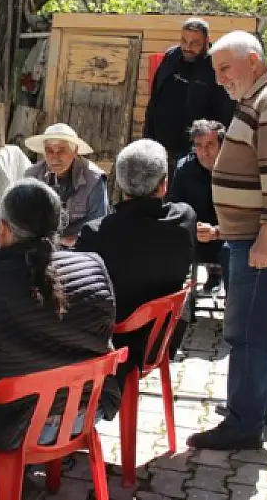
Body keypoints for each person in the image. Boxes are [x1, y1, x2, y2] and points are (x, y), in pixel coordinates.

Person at [0, 179, 116, 491]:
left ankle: (7, 478)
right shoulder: (94, 266)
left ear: (3, 229)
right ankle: (47, 460)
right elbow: (104, 341)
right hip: (85, 413)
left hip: (17, 427)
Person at [186, 31, 267, 451]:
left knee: (246, 332)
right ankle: (266, 407)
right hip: (256, 234)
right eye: (216, 70)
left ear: (253, 60)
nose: (220, 78)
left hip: (262, 237)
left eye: (225, 68)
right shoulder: (257, 100)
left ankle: (243, 423)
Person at [76, 139, 196, 388]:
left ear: (119, 183)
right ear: (164, 185)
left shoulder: (97, 234)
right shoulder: (185, 218)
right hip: (161, 340)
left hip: (112, 345)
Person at [143, 18, 236, 175]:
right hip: (161, 147)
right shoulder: (171, 56)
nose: (187, 47)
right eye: (184, 41)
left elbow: (226, 114)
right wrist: (147, 138)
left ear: (207, 41)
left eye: (195, 43)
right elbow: (154, 100)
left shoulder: (216, 66)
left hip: (196, 153)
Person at [167, 119, 228, 294]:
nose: (204, 152)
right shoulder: (185, 169)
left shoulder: (235, 168)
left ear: (221, 146)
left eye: (210, 145)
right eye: (198, 146)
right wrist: (192, 227)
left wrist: (215, 231)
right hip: (195, 235)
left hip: (227, 235)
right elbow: (175, 205)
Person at [23, 123, 109, 245]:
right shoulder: (32, 176)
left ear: (75, 151)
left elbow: (99, 224)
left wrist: (72, 240)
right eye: (49, 151)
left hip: (82, 247)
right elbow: (25, 219)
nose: (54, 158)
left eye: (61, 151)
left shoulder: (93, 179)